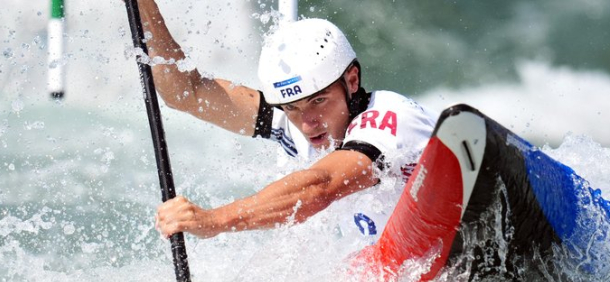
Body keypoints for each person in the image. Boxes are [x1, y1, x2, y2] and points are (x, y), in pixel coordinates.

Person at [136, 0, 437, 240]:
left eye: (319, 101)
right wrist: (145, 7)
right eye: (291, 107)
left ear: (352, 79)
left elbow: (322, 185)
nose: (307, 123)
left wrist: (215, 220)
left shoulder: (388, 118)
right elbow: (187, 92)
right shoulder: (292, 124)